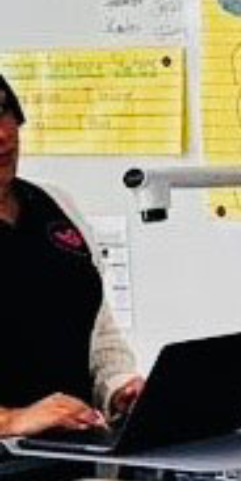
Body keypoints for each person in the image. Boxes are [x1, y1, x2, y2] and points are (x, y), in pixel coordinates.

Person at [0, 69, 143, 440]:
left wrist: (119, 389)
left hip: (72, 456)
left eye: (3, 112)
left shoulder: (55, 204)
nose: (2, 135)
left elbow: (99, 335)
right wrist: (11, 420)